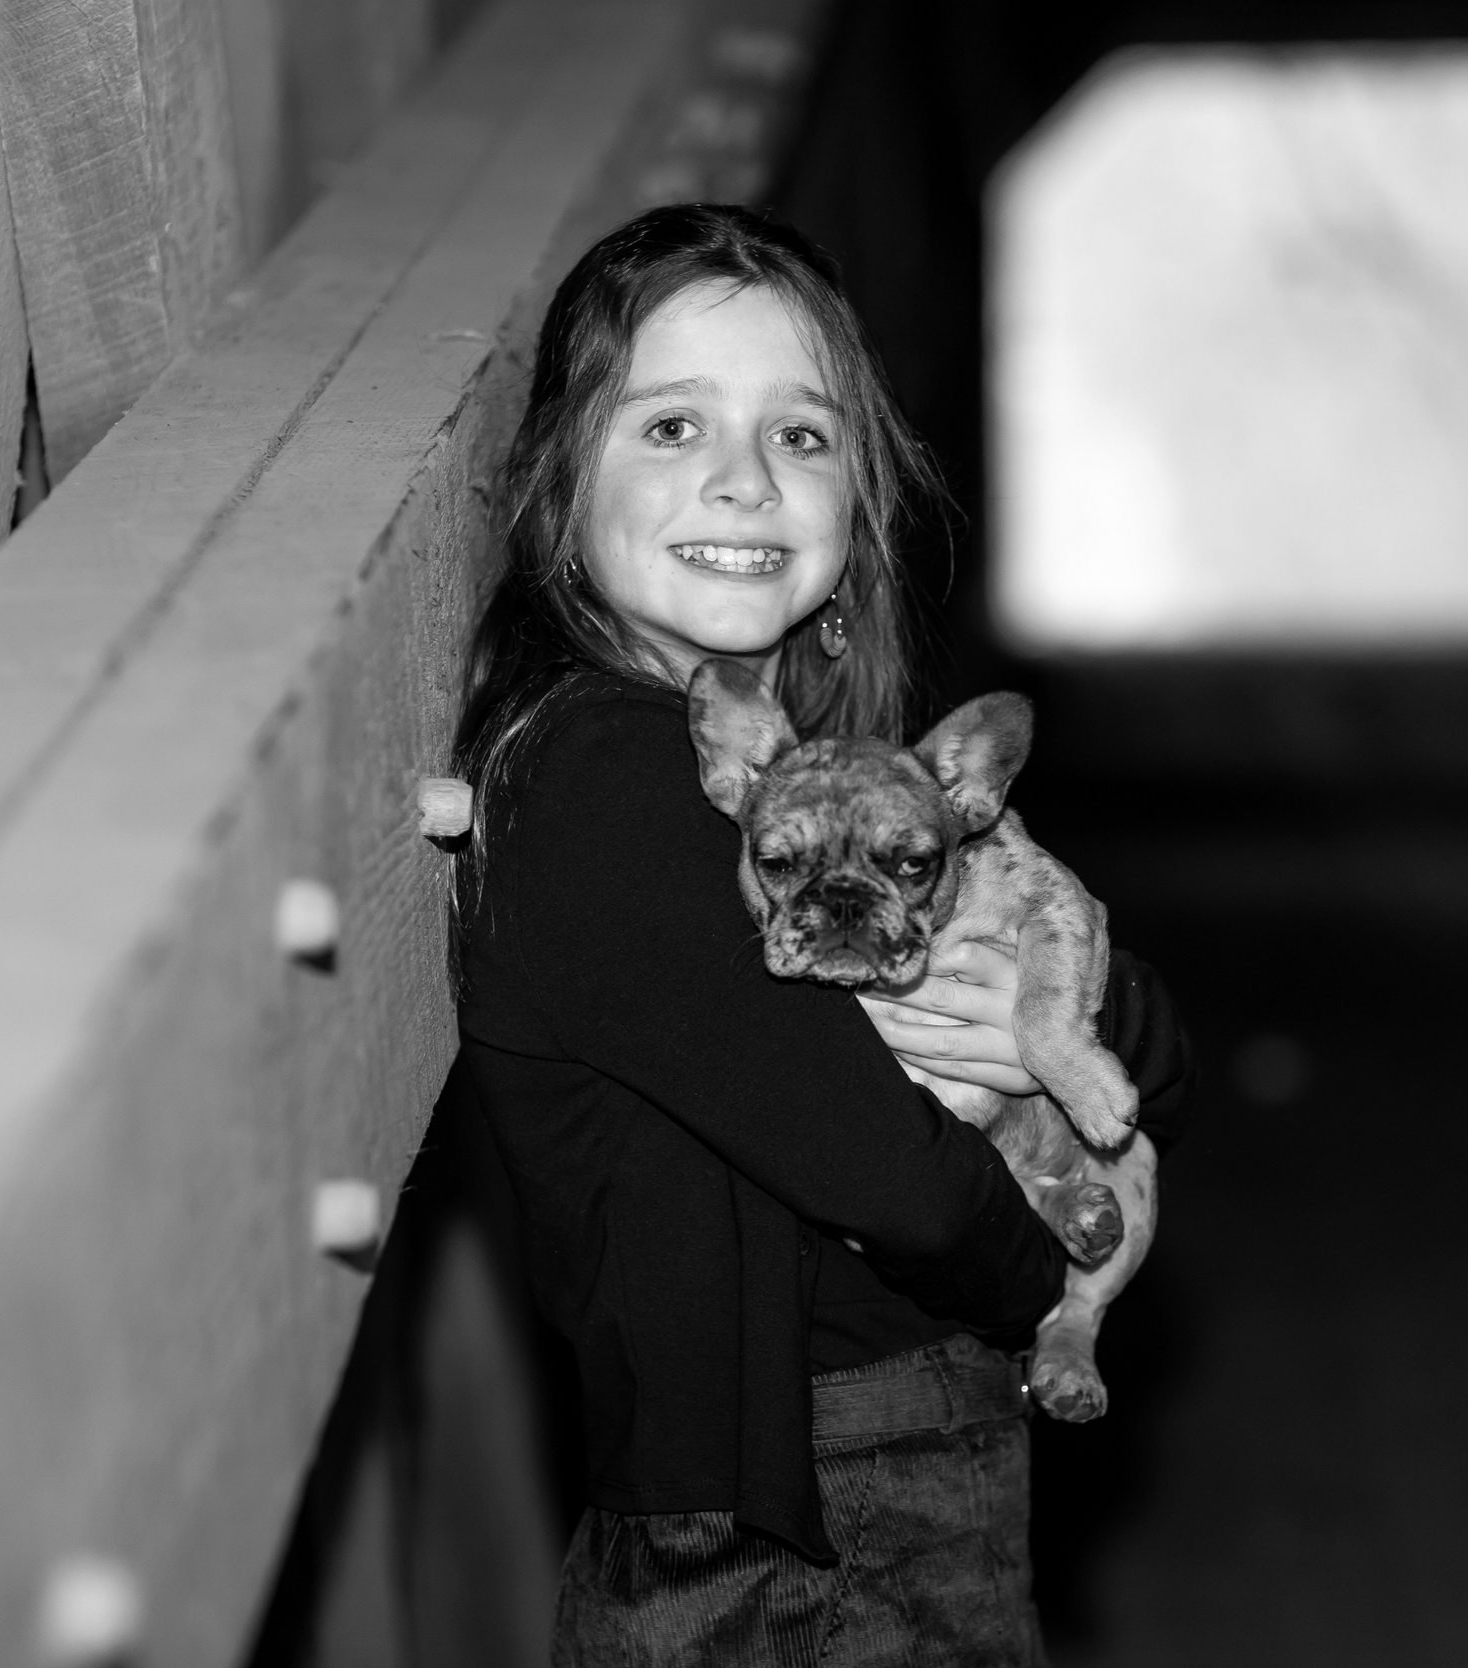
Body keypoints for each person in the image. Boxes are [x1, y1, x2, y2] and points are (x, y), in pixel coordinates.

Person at [449, 202, 1191, 1665]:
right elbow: (901, 1188)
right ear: (557, 481)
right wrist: (1064, 1285)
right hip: (794, 1535)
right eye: (670, 428)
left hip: (859, 1500)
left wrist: (1057, 1031)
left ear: (858, 498)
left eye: (802, 437)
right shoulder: (613, 780)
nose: (741, 480)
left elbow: (1153, 1043)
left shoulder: (823, 766)